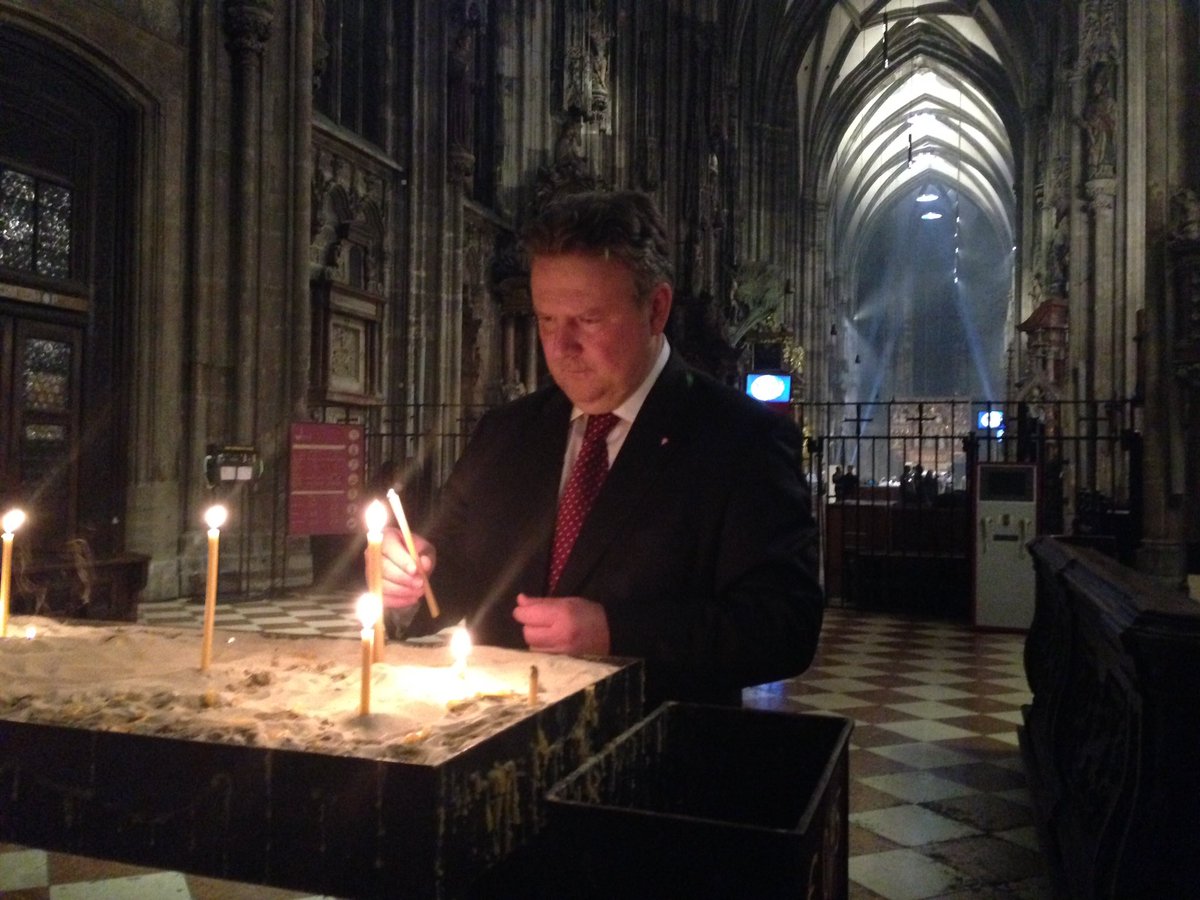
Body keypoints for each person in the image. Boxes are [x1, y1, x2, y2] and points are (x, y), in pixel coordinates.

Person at [379, 189, 823, 707]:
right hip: (498, 744)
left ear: (656, 309)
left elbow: (784, 627)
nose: (561, 348)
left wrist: (614, 632)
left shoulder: (739, 440)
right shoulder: (506, 434)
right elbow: (451, 579)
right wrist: (409, 578)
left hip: (653, 753)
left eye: (587, 320)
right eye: (547, 319)